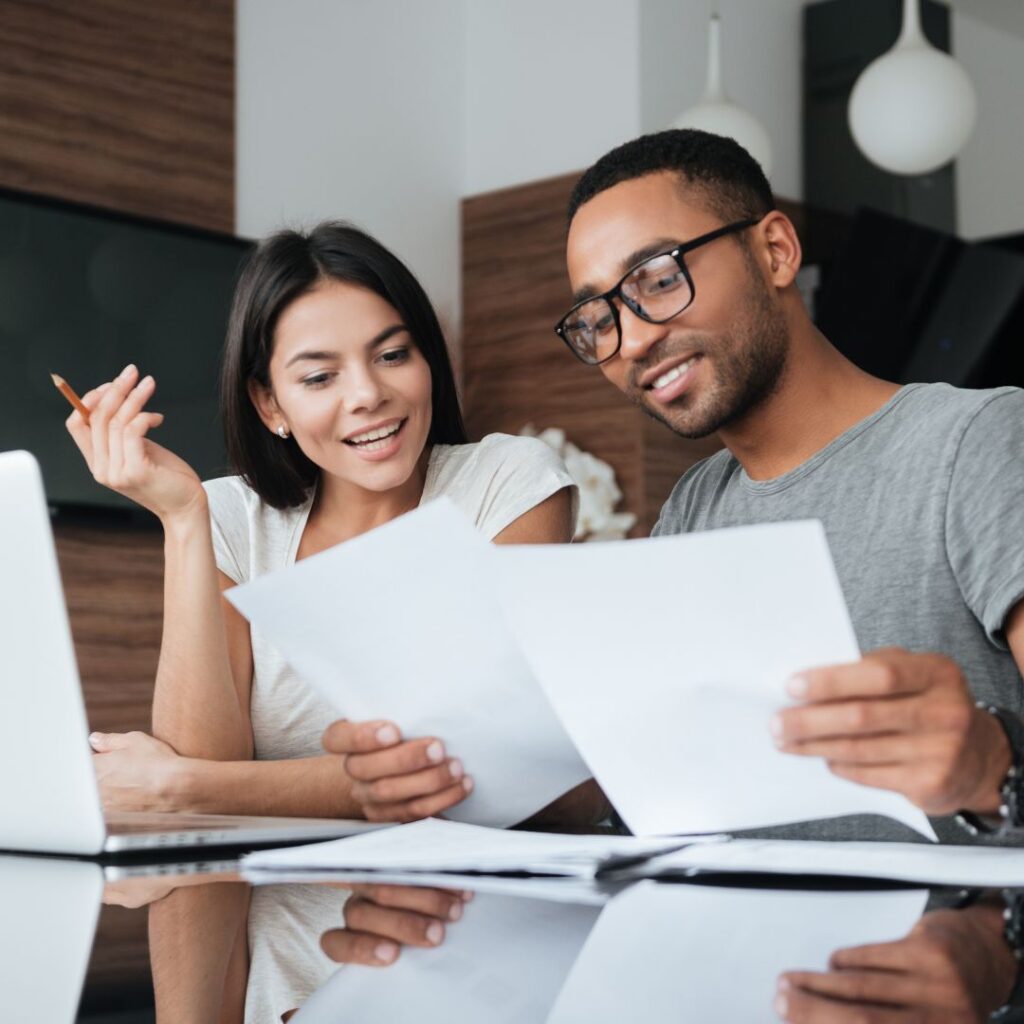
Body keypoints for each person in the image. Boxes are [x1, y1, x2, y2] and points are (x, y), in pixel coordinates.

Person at [555, 128, 1024, 844]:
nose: (634, 341)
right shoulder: (692, 508)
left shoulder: (979, 440)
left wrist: (992, 767)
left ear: (775, 250)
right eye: (598, 318)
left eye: (656, 277)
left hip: (961, 945)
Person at [66, 220, 582, 824]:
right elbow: (203, 757)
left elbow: (475, 766)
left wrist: (184, 787)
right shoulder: (233, 516)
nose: (367, 394)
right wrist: (182, 520)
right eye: (319, 377)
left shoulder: (507, 483)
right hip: (260, 910)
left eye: (393, 355)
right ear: (269, 404)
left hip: (452, 908)